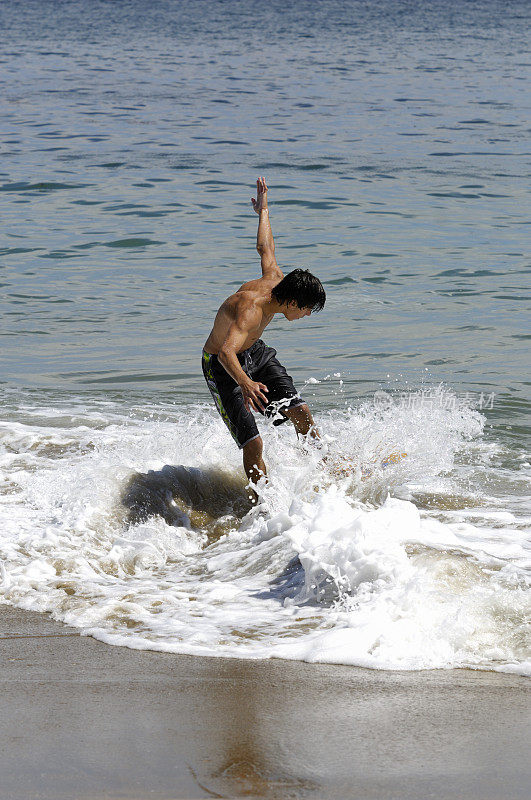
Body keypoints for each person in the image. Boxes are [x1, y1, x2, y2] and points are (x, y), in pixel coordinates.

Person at [202, 177, 326, 495]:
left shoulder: (277, 280)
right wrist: (245, 383)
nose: (307, 315)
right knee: (253, 442)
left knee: (300, 412)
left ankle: (327, 469)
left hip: (254, 352)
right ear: (293, 302)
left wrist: (264, 209)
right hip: (222, 365)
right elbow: (227, 352)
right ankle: (264, 502)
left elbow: (265, 248)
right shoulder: (251, 309)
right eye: (308, 309)